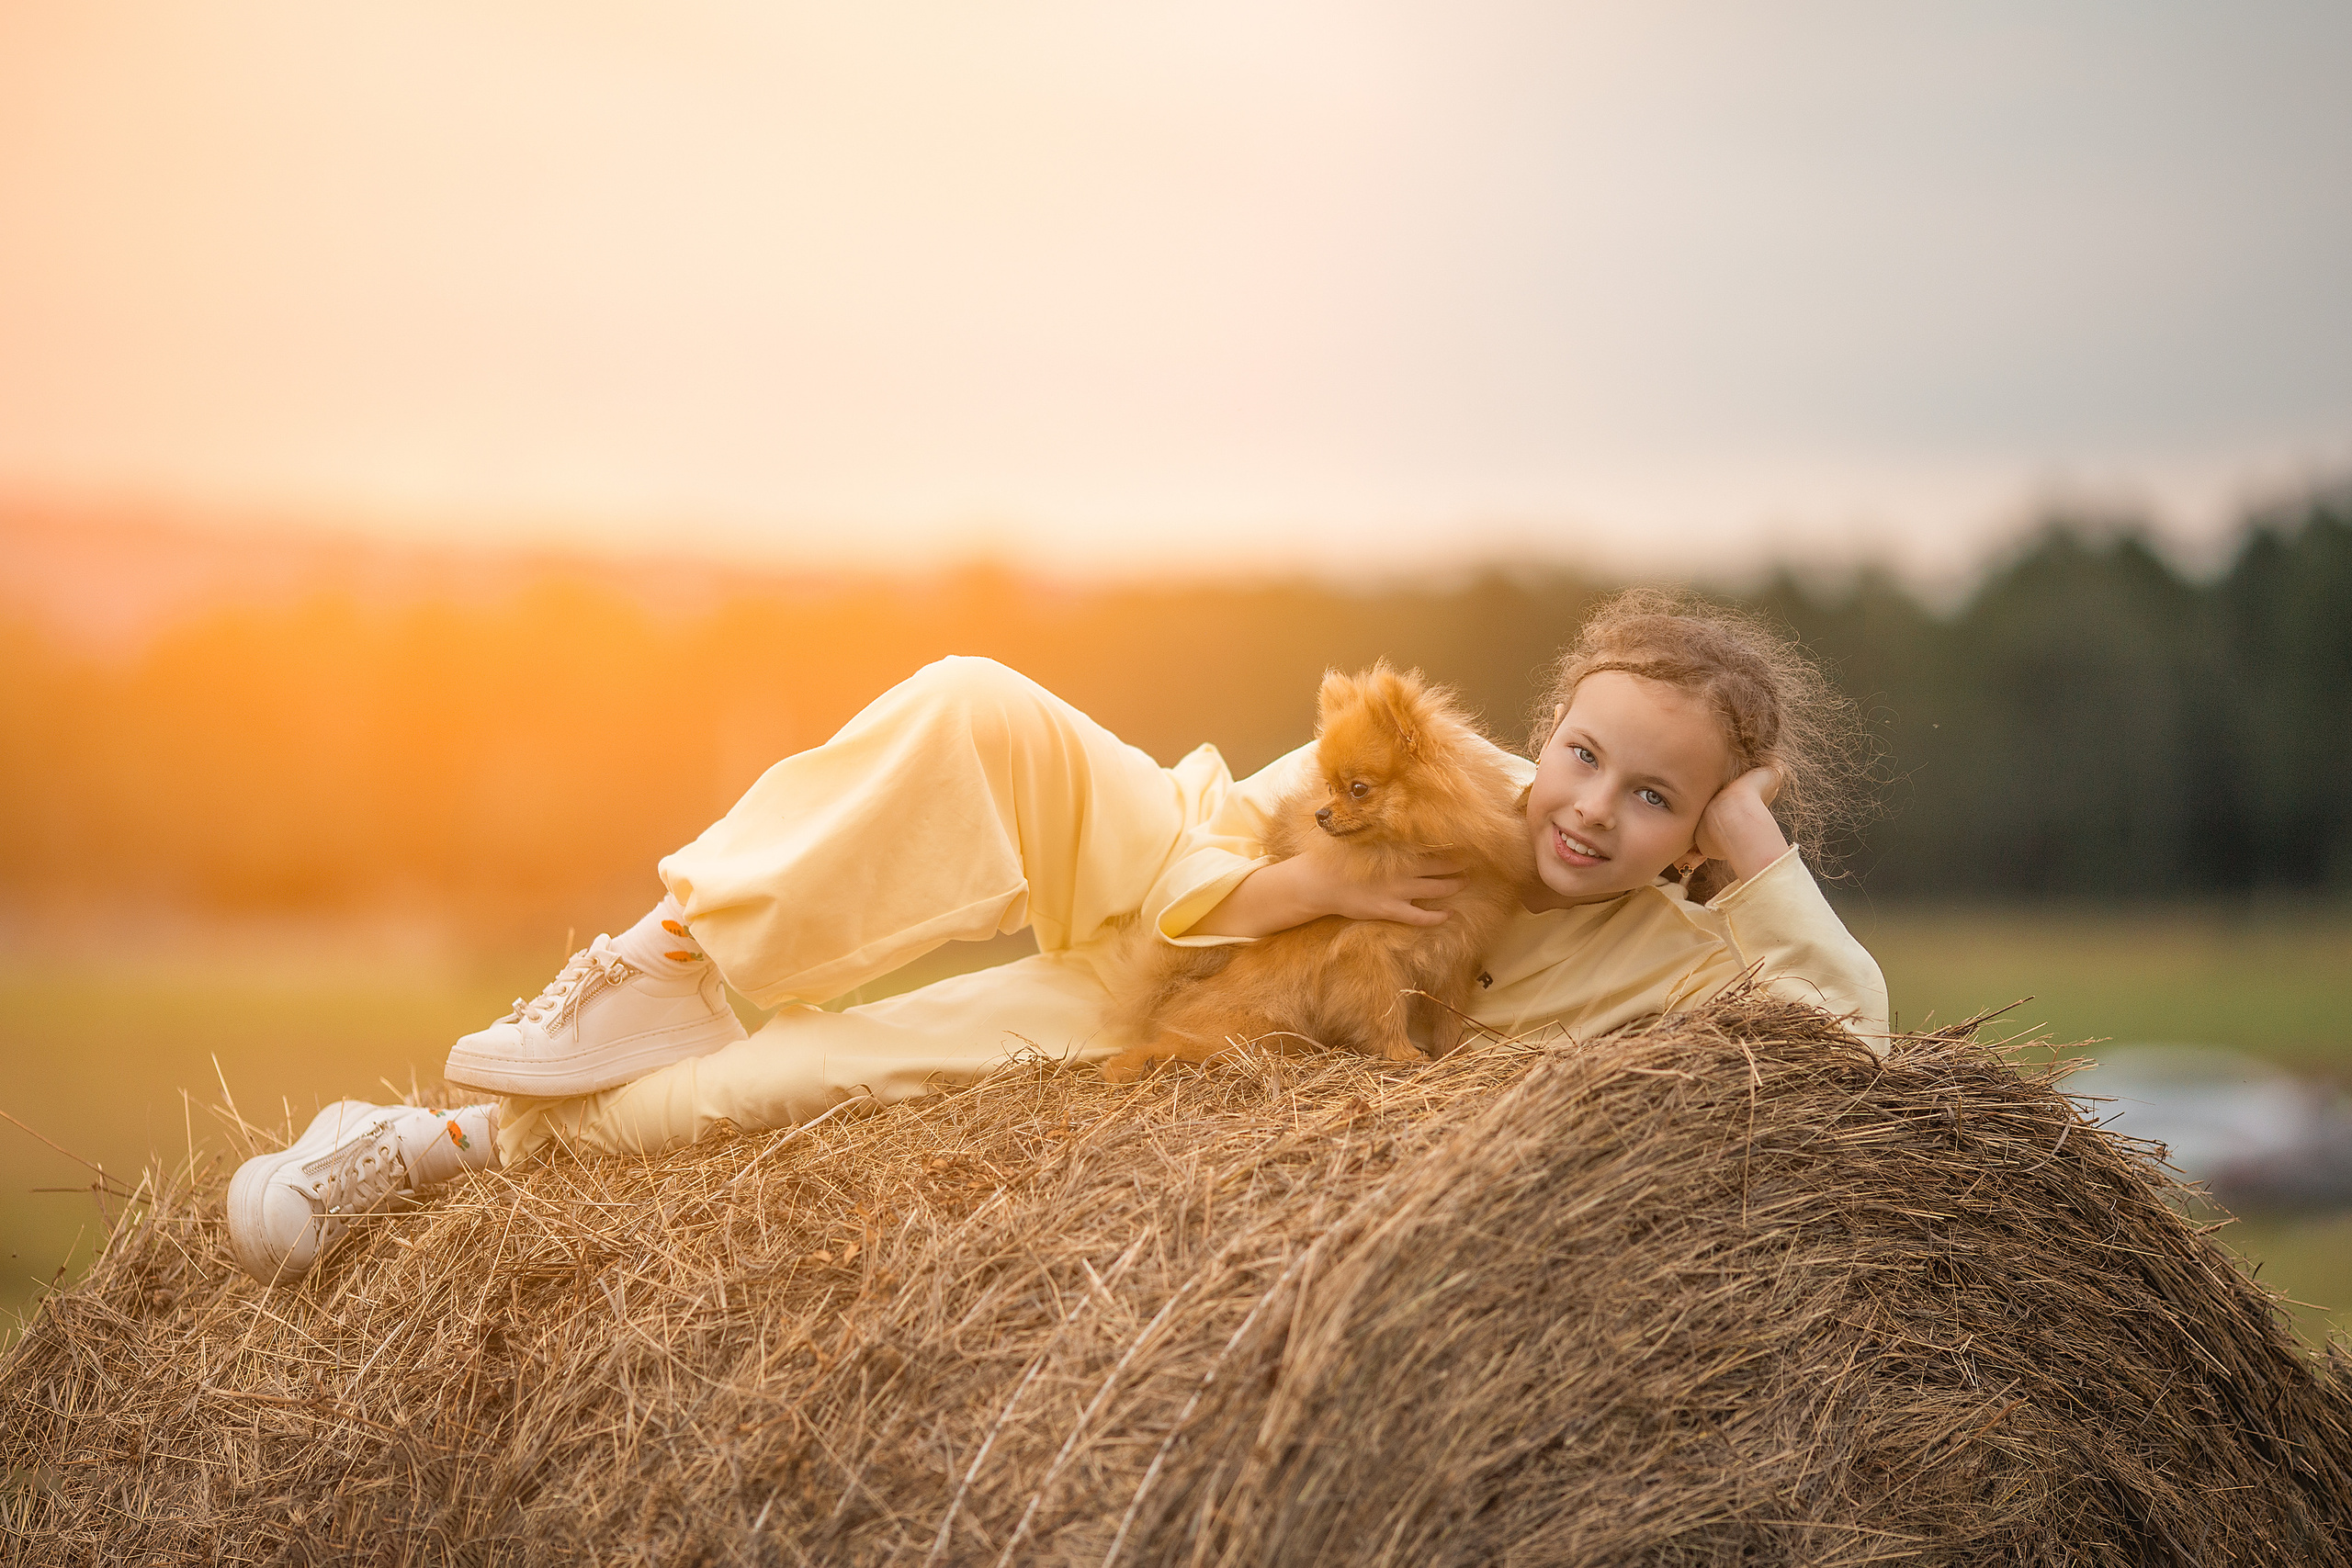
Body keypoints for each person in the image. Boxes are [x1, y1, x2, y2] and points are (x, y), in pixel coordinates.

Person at [227, 591, 1889, 1283]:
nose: (1591, 810)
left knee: (774, 1093)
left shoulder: (1676, 960)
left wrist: (1754, 840)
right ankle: (671, 954)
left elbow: (1852, 1041)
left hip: (1160, 1031)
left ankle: (432, 1140)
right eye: (1583, 755)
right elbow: (1208, 842)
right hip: (1177, 901)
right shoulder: (1439, 767)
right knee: (975, 701)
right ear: (1550, 725)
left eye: (1656, 800)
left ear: (1706, 830)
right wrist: (1315, 889)